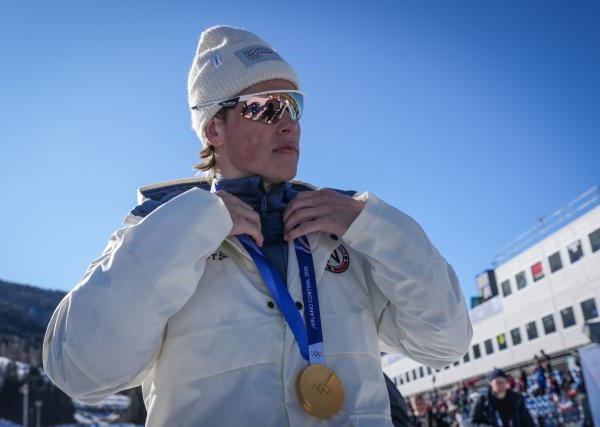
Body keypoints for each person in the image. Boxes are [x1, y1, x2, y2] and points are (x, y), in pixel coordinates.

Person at [42, 25, 472, 426]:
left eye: (294, 105)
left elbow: (443, 344)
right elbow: (80, 371)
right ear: (214, 129)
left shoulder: (346, 229)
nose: (289, 123)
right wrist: (193, 225)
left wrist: (377, 227)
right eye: (264, 108)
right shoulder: (157, 227)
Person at [469, 368, 535, 427]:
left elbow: (528, 421)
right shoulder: (482, 401)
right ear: (490, 383)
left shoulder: (516, 399)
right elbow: (471, 424)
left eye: (502, 382)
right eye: (497, 382)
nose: (500, 384)